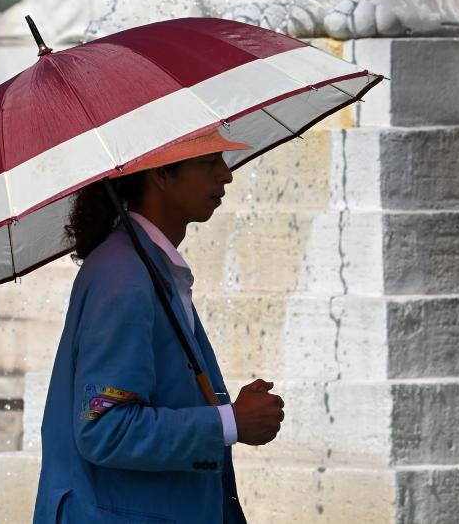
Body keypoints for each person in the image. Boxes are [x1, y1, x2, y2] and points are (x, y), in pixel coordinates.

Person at [34, 131, 285, 524]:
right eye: (208, 162)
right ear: (161, 175)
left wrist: (228, 414)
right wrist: (229, 422)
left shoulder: (146, 267)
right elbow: (105, 428)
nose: (225, 174)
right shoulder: (123, 276)